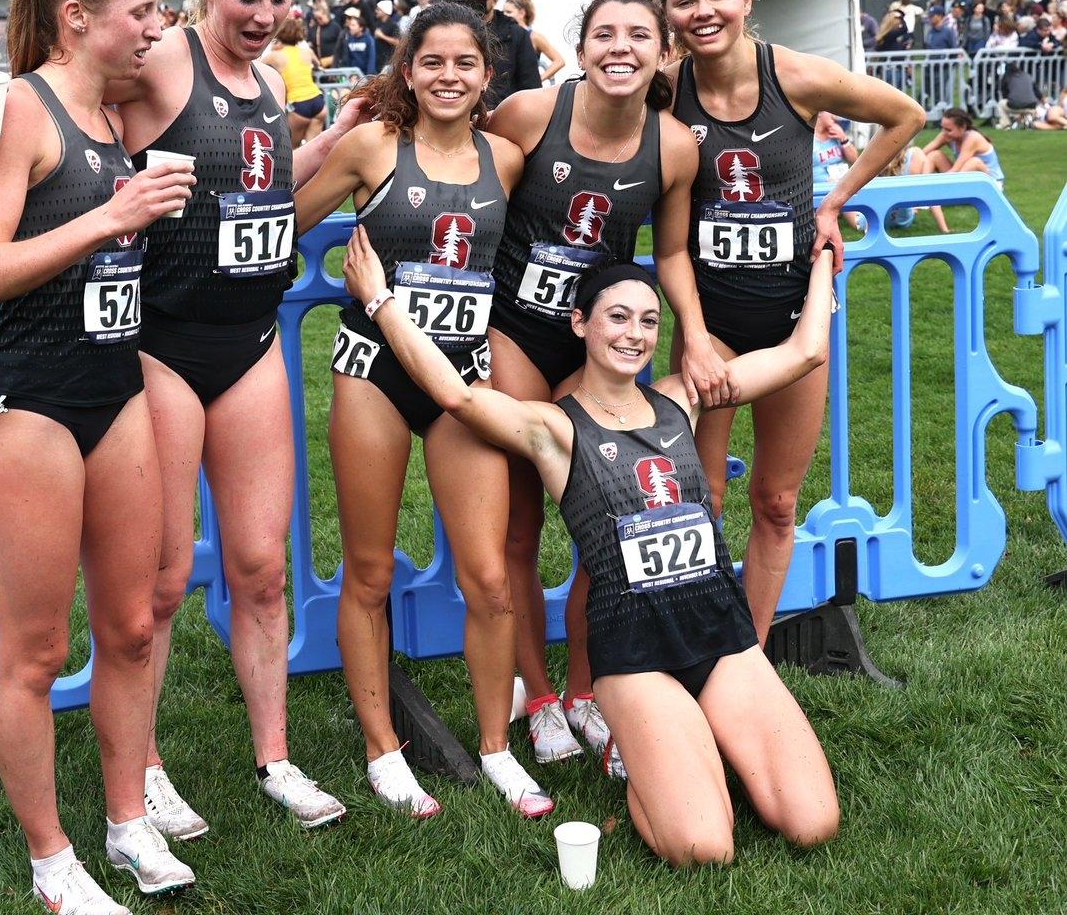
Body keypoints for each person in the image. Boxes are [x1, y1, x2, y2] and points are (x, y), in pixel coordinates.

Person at [0, 0, 367, 840]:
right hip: (152, 346)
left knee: (259, 565)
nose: (263, 15)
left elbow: (243, 192)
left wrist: (324, 146)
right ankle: (147, 775)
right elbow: (41, 112)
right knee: (155, 587)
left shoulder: (264, 81)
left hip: (249, 337)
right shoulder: (153, 60)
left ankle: (273, 755)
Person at [342, 230, 841, 866]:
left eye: (649, 320)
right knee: (703, 847)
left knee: (813, 823)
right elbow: (457, 396)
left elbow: (802, 352)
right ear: (581, 323)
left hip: (721, 632)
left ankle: (696, 739)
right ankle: (652, 759)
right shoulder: (555, 428)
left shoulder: (682, 401)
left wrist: (824, 256)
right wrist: (381, 300)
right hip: (636, 653)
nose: (634, 333)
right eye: (617, 316)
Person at [0, 0, 197, 915]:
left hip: (116, 391)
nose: (155, 26)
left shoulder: (116, 105)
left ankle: (126, 818)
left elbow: (222, 64)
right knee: (38, 647)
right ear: (76, 16)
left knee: (135, 626)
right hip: (30, 403)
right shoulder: (19, 106)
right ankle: (53, 860)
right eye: (141, 10)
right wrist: (113, 217)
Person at [293, 3, 553, 817]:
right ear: (407, 70)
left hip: (463, 380)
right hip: (373, 370)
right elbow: (284, 225)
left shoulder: (506, 160)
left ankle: (495, 747)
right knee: (370, 570)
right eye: (431, 61)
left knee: (490, 579)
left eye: (464, 64)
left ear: (487, 76)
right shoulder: (372, 146)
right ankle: (381, 750)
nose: (448, 76)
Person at [487, 0, 733, 770]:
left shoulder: (673, 146)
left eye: (637, 35)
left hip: (607, 341)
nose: (618, 48)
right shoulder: (531, 113)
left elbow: (669, 254)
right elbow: (464, 175)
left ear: (663, 52)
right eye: (601, 35)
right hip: (519, 333)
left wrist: (691, 334)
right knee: (521, 526)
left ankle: (594, 688)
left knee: (618, 531)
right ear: (581, 46)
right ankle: (541, 695)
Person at [659, 0, 924, 644]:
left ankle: (745, 649)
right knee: (698, 500)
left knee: (776, 502)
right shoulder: (665, 85)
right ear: (668, 13)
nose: (702, 10)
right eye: (684, 0)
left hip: (792, 318)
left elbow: (904, 115)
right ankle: (694, 644)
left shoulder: (798, 77)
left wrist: (834, 201)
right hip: (706, 322)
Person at [462, 0, 541, 107]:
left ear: (494, 0)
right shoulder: (456, 32)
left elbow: (530, 84)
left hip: (504, 115)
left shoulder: (516, 34)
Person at [264, 17, 326, 146]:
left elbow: (254, 65)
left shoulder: (274, 56)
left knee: (292, 150)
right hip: (318, 101)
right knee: (313, 150)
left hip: (299, 104)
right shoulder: (306, 52)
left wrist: (274, 46)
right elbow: (317, 64)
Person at [923, 108, 1005, 185]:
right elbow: (922, 154)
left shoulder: (972, 138)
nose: (944, 132)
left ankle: (950, 190)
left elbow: (956, 170)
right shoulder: (946, 135)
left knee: (974, 162)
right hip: (964, 177)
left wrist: (938, 182)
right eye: (942, 128)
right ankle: (922, 187)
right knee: (934, 155)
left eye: (948, 130)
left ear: (963, 127)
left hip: (991, 183)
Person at [811, 111, 863, 232]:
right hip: (825, 184)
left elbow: (855, 160)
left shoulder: (835, 135)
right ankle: (860, 223)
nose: (835, 117)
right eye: (831, 113)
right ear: (820, 114)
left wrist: (843, 139)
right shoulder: (810, 139)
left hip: (843, 179)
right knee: (841, 190)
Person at [881, 145, 950, 232]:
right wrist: (945, 230)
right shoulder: (915, 154)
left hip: (883, 215)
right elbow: (929, 192)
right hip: (903, 218)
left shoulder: (879, 159)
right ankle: (945, 229)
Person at [502, 0, 565, 84]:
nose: (504, 15)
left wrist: (539, 79)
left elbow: (559, 61)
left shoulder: (534, 37)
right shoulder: (506, 36)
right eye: (503, 12)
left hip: (527, 90)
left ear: (521, 13)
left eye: (509, 12)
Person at [338, 8, 377, 75]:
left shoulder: (369, 39)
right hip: (353, 75)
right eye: (350, 25)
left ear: (361, 28)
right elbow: (347, 58)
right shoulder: (349, 39)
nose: (350, 27)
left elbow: (371, 59)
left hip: (365, 75)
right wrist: (350, 75)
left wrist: (368, 77)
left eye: (353, 25)